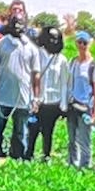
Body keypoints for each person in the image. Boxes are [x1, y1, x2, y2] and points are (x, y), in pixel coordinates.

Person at [0, 6, 37, 161]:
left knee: (21, 132)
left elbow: (36, 75)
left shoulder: (31, 48)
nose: (18, 27)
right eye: (15, 23)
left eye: (20, 24)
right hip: (3, 95)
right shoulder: (0, 44)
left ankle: (18, 158)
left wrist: (36, 98)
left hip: (23, 98)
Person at [28, 22, 68, 160]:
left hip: (53, 102)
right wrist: (32, 98)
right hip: (37, 101)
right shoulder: (36, 54)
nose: (53, 41)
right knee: (33, 129)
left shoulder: (62, 60)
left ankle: (46, 155)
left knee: (48, 131)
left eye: (56, 38)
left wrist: (63, 105)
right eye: (51, 38)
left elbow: (64, 83)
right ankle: (29, 155)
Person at [64, 28, 95, 169]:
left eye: (85, 43)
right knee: (72, 139)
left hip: (86, 108)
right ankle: (72, 164)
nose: (82, 45)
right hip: (72, 105)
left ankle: (84, 167)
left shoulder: (94, 66)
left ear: (89, 43)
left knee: (84, 140)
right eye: (79, 42)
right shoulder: (72, 62)